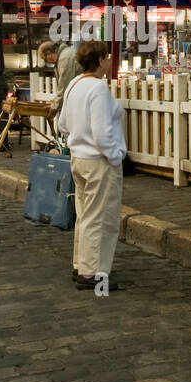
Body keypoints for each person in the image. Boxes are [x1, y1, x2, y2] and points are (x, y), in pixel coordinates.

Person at [56, 40, 127, 291]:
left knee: (85, 215)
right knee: (100, 218)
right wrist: (115, 155)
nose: (109, 62)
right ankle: (92, 272)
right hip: (99, 161)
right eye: (106, 58)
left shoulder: (74, 85)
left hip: (79, 158)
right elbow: (102, 131)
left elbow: (62, 123)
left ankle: (82, 264)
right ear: (99, 60)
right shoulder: (97, 88)